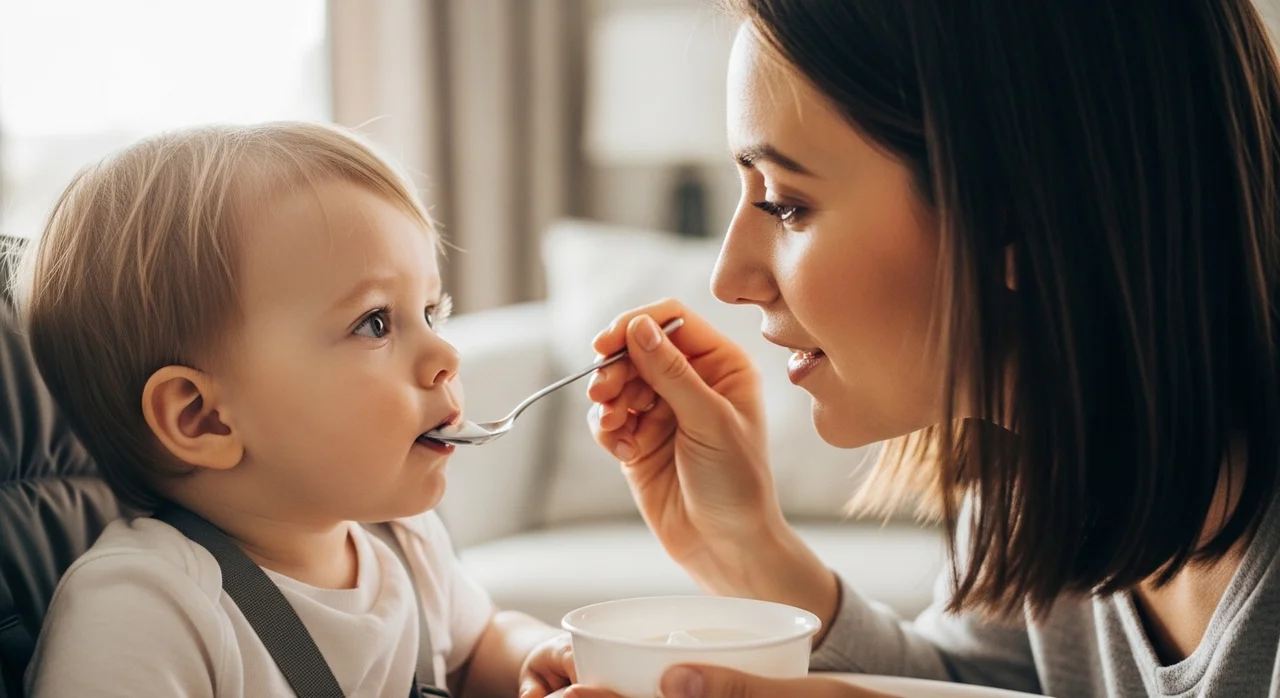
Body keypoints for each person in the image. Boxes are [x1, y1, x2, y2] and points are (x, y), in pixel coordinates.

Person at [576, 1, 1280, 696]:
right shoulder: (1033, 478)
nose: (728, 280)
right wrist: (742, 544)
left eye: (787, 204)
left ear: (1014, 219)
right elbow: (977, 682)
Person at [15, 122, 575, 698]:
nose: (446, 355)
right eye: (375, 323)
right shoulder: (145, 611)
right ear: (203, 418)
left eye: (432, 311)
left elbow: (476, 646)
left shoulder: (405, 542)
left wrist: (533, 660)